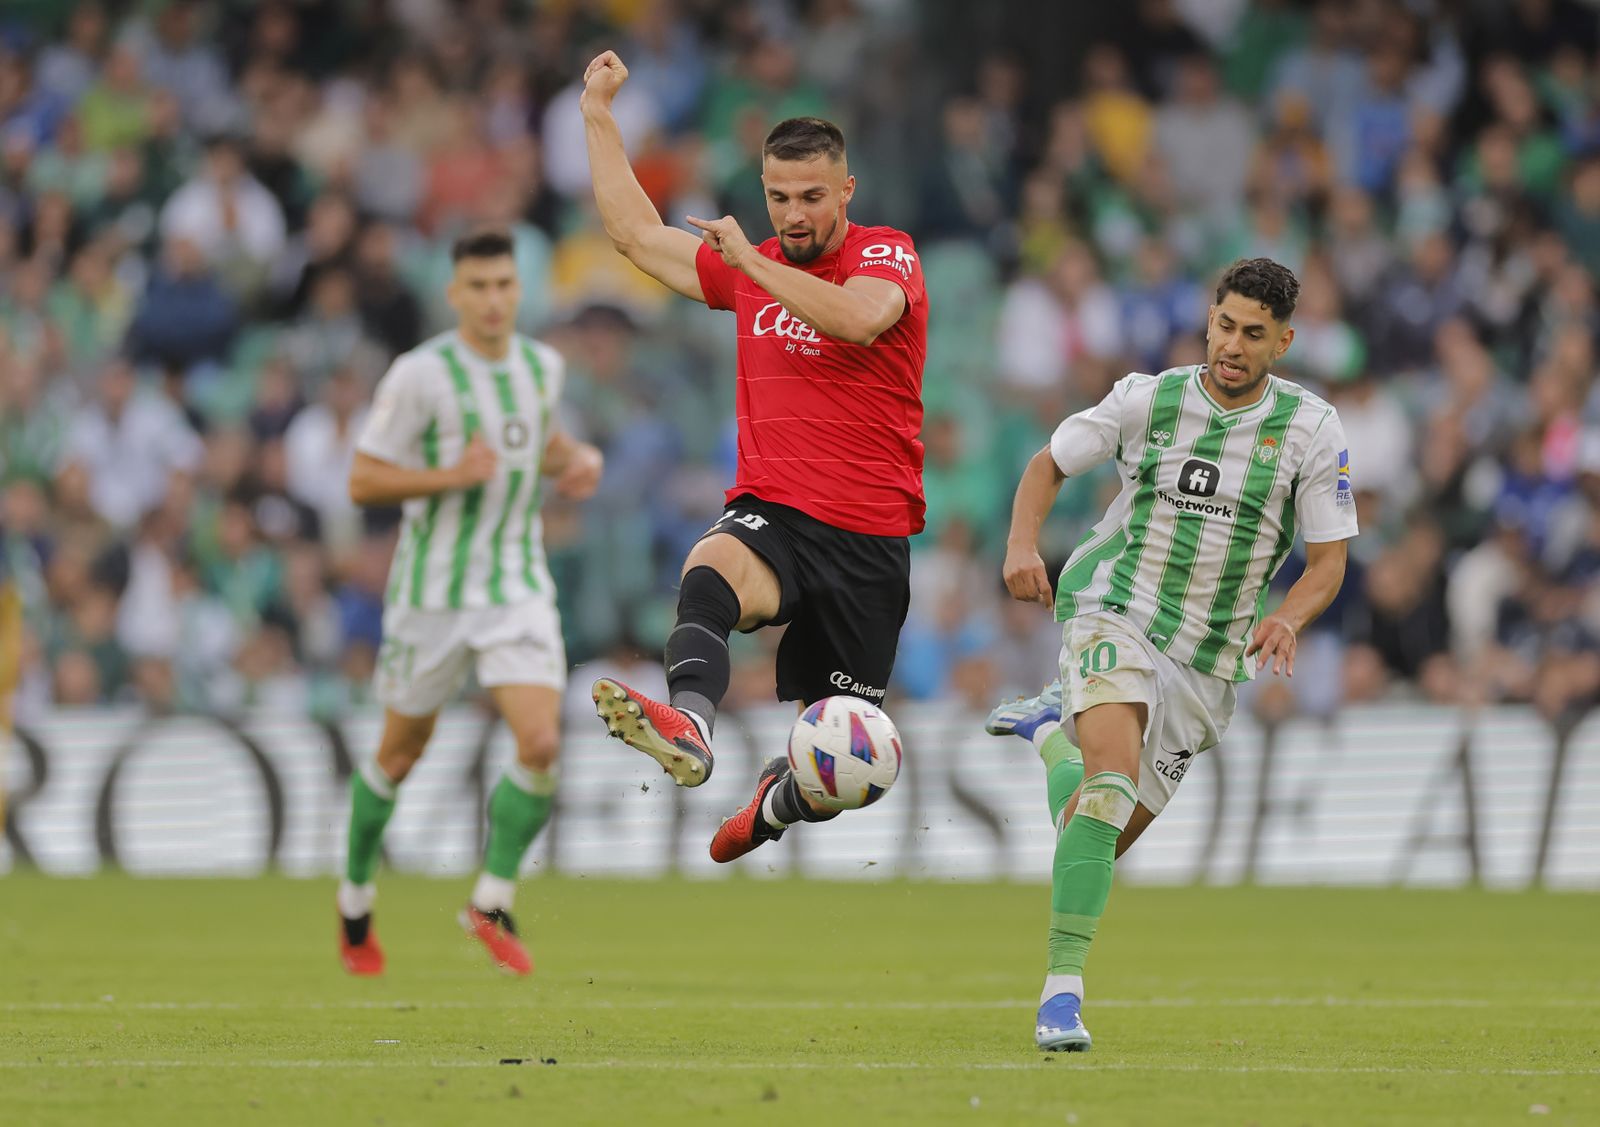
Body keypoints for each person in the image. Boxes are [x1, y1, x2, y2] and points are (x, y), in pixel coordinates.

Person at [988, 258, 1356, 1050]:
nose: (1232, 344)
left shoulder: (1311, 428)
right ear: (1210, 318)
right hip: (1113, 607)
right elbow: (1047, 462)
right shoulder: (1147, 397)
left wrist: (1288, 618)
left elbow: (1327, 561)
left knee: (1095, 827)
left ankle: (1049, 733)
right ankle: (1061, 998)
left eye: (1253, 334)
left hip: (1209, 660)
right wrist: (1022, 544)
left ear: (1283, 341)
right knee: (1111, 782)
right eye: (1224, 324)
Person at [579, 50, 928, 861]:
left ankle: (773, 805)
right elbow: (635, 235)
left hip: (872, 536)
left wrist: (756, 264)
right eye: (779, 197)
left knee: (837, 770)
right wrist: (598, 116)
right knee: (711, 567)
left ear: (846, 191)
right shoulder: (753, 266)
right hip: (777, 509)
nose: (795, 213)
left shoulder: (885, 252)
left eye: (812, 196)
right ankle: (691, 724)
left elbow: (858, 321)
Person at [336, 228, 604, 976]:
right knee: (399, 751)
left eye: (504, 285)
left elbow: (538, 443)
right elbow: (362, 480)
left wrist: (575, 460)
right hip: (431, 592)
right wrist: (449, 475)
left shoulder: (541, 368)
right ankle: (355, 896)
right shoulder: (419, 375)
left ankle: (490, 898)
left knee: (542, 741)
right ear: (454, 294)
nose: (492, 300)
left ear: (520, 290)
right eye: (478, 287)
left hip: (516, 582)